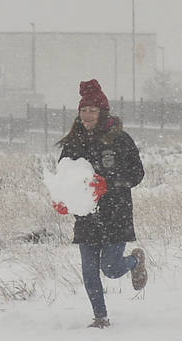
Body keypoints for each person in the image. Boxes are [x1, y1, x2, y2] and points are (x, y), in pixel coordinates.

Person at [57, 79, 147, 328]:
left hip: (115, 213)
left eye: (92, 111)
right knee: (89, 271)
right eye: (83, 110)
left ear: (102, 112)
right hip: (86, 215)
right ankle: (100, 317)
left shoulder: (119, 139)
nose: (87, 115)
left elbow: (137, 173)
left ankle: (135, 261)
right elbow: (63, 176)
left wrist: (110, 183)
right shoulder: (73, 143)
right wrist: (62, 200)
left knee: (111, 267)